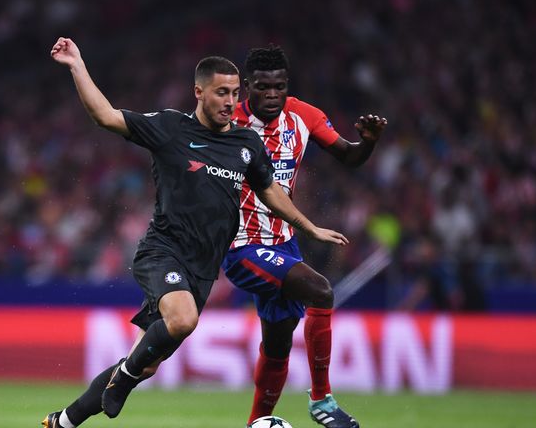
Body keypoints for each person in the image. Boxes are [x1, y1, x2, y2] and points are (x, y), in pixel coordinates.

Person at [43, 37, 349, 428]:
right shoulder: (170, 127)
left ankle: (64, 421)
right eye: (222, 93)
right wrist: (77, 65)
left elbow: (271, 192)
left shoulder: (245, 143)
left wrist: (308, 227)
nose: (230, 102)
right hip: (163, 252)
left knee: (148, 362)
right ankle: (123, 380)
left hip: (203, 269)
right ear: (199, 92)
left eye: (235, 93)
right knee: (184, 320)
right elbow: (105, 115)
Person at [222, 44, 387, 428]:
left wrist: (370, 143)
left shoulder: (303, 115)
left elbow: (349, 156)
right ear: (248, 87)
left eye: (279, 86)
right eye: (263, 87)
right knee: (321, 290)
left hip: (282, 242)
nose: (272, 95)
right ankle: (321, 400)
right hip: (242, 244)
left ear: (286, 85)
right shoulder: (228, 121)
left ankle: (255, 423)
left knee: (278, 346)